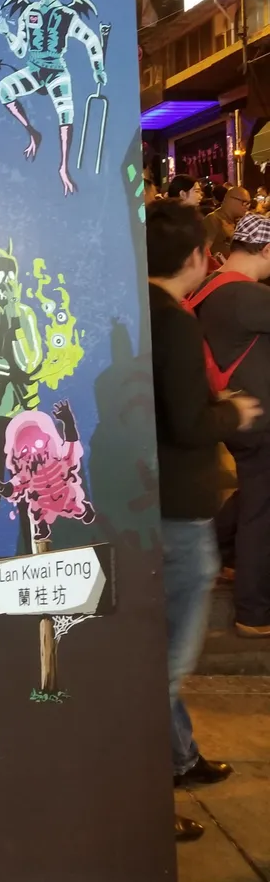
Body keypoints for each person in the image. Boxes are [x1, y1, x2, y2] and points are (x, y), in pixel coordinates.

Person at [146, 202, 260, 842]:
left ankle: (181, 756)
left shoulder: (139, 311)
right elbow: (190, 422)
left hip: (150, 501)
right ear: (196, 257)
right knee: (162, 664)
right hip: (178, 509)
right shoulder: (174, 322)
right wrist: (233, 413)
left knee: (160, 655)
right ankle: (143, 801)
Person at [194, 214, 270, 638]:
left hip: (234, 412)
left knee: (255, 493)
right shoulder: (247, 295)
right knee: (263, 510)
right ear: (266, 250)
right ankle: (254, 611)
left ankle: (217, 552)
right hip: (258, 416)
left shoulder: (210, 287)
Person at [205, 186, 249, 262]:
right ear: (231, 200)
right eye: (244, 202)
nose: (247, 207)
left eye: (248, 204)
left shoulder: (239, 221)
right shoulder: (213, 219)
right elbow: (203, 253)